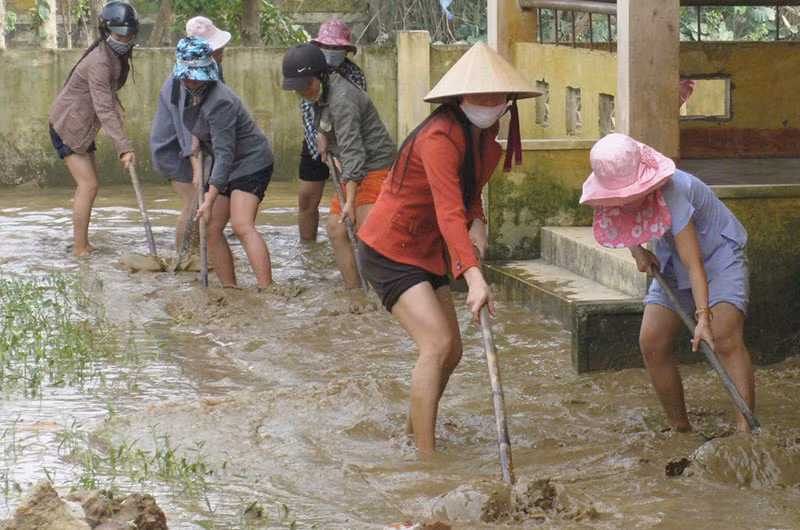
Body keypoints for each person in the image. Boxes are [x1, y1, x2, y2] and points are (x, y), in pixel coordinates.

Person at [356, 41, 540, 453]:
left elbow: (467, 195)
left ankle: (411, 433)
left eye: (496, 97)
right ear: (461, 97)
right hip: (390, 250)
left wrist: (479, 222)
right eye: (480, 96)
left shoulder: (485, 136)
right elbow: (448, 211)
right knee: (436, 344)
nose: (489, 104)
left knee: (452, 350)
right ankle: (426, 461)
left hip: (427, 249)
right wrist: (473, 278)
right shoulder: (439, 137)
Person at [579, 133, 754, 432]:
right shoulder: (611, 190)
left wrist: (703, 318)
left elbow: (694, 263)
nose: (623, 201)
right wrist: (638, 251)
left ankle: (745, 433)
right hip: (671, 262)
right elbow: (620, 221)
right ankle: (680, 429)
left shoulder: (673, 191)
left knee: (724, 335)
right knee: (651, 341)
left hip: (717, 257)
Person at [281, 43, 395, 287]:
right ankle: (355, 292)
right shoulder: (317, 92)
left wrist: (350, 201)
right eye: (298, 88)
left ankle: (382, 293)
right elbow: (322, 120)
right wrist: (322, 135)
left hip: (376, 166)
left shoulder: (343, 98)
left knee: (366, 231)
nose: (303, 92)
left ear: (321, 75)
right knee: (336, 229)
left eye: (307, 85)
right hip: (353, 167)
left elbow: (353, 151)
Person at [174, 36, 274, 288]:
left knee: (241, 225)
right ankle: (230, 289)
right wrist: (196, 140)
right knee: (210, 227)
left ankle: (267, 289)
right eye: (186, 77)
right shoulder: (188, 89)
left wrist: (208, 200)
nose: (190, 82)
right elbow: (198, 123)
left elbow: (225, 154)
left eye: (195, 77)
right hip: (225, 163)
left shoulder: (220, 102)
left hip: (251, 162)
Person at [48, 1, 139, 257]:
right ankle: (79, 249)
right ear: (106, 31)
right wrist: (124, 148)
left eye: (129, 35)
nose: (125, 39)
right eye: (120, 35)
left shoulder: (113, 55)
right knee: (88, 186)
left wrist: (116, 102)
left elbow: (107, 92)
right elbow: (103, 108)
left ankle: (84, 244)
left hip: (82, 126)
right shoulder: (100, 61)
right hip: (68, 127)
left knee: (90, 186)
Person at [150, 17, 231, 251]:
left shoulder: (212, 70)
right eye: (217, 48)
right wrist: (196, 167)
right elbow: (185, 127)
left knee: (201, 202)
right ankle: (184, 255)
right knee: (192, 202)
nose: (222, 52)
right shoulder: (184, 82)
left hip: (195, 146)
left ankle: (197, 251)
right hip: (174, 150)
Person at [296, 19, 368, 242]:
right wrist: (320, 139)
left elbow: (354, 118)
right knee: (307, 200)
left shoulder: (354, 76)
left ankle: (352, 241)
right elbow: (308, 113)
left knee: (352, 199)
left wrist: (339, 153)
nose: (331, 51)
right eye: (327, 47)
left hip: (347, 145)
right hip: (315, 142)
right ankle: (308, 248)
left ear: (345, 50)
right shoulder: (306, 73)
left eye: (336, 48)